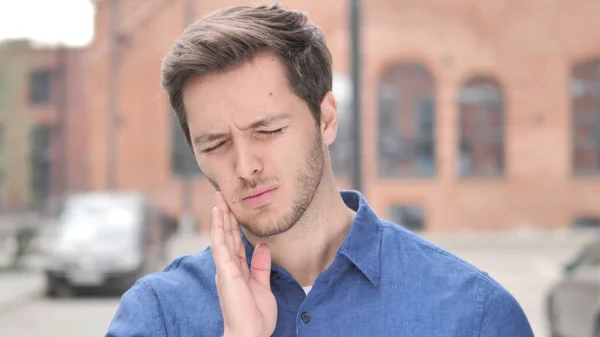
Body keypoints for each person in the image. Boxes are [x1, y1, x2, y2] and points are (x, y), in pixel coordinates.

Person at [106, 3, 534, 337]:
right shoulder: (158, 316)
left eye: (268, 130)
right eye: (215, 144)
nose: (245, 166)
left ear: (326, 119)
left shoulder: (472, 315)